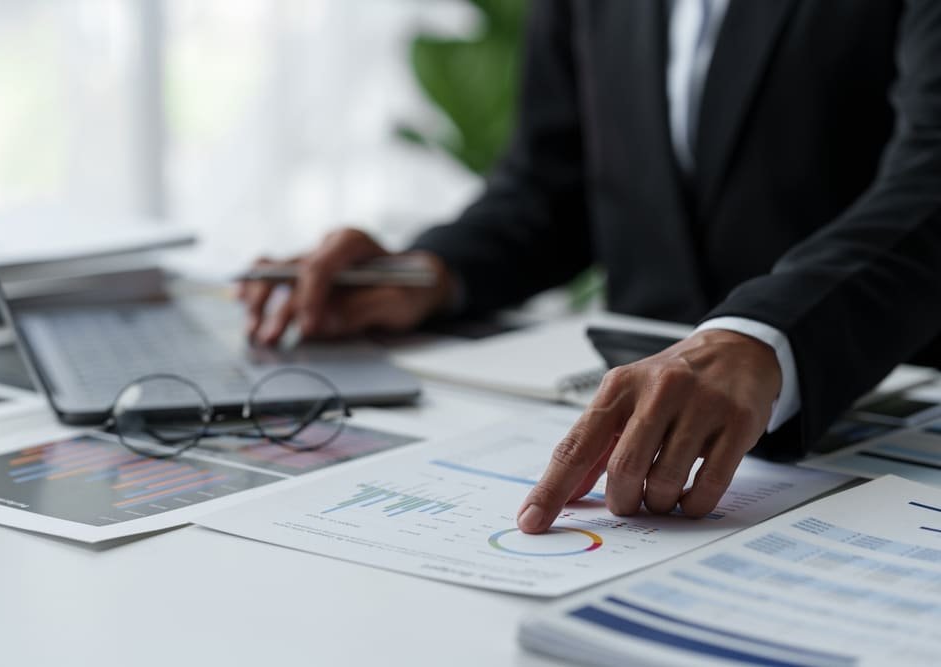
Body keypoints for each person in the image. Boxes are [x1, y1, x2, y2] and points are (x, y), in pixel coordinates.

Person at [239, 1, 941, 534]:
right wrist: (429, 270)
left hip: (885, 422)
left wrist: (759, 337)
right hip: (647, 450)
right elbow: (554, 180)